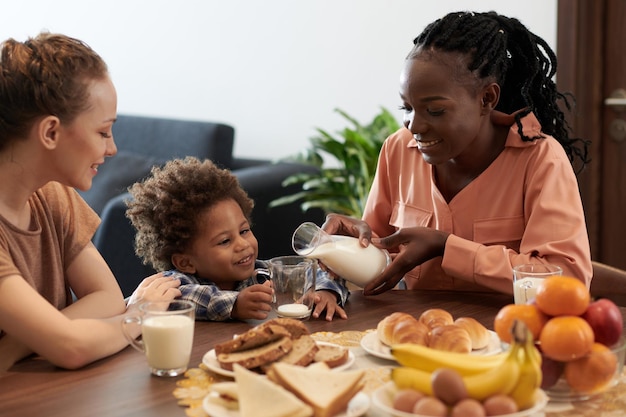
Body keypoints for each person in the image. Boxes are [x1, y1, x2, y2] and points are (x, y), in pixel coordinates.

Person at [322, 11, 592, 296]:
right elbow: (378, 252)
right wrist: (348, 247)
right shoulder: (398, 149)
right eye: (407, 108)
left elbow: (568, 281)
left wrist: (446, 247)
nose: (414, 125)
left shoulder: (540, 159)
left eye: (435, 110)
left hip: (509, 335)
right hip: (414, 334)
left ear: (487, 98)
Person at [0, 33, 182, 372]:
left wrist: (17, 343)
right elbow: (70, 347)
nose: (112, 148)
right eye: (103, 132)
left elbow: (108, 299)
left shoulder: (53, 194)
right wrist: (142, 314)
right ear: (51, 132)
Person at [125, 157, 349, 322]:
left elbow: (319, 272)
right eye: (224, 241)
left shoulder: (261, 273)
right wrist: (235, 305)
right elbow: (184, 299)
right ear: (186, 262)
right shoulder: (172, 285)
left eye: (244, 231)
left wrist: (326, 292)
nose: (243, 245)